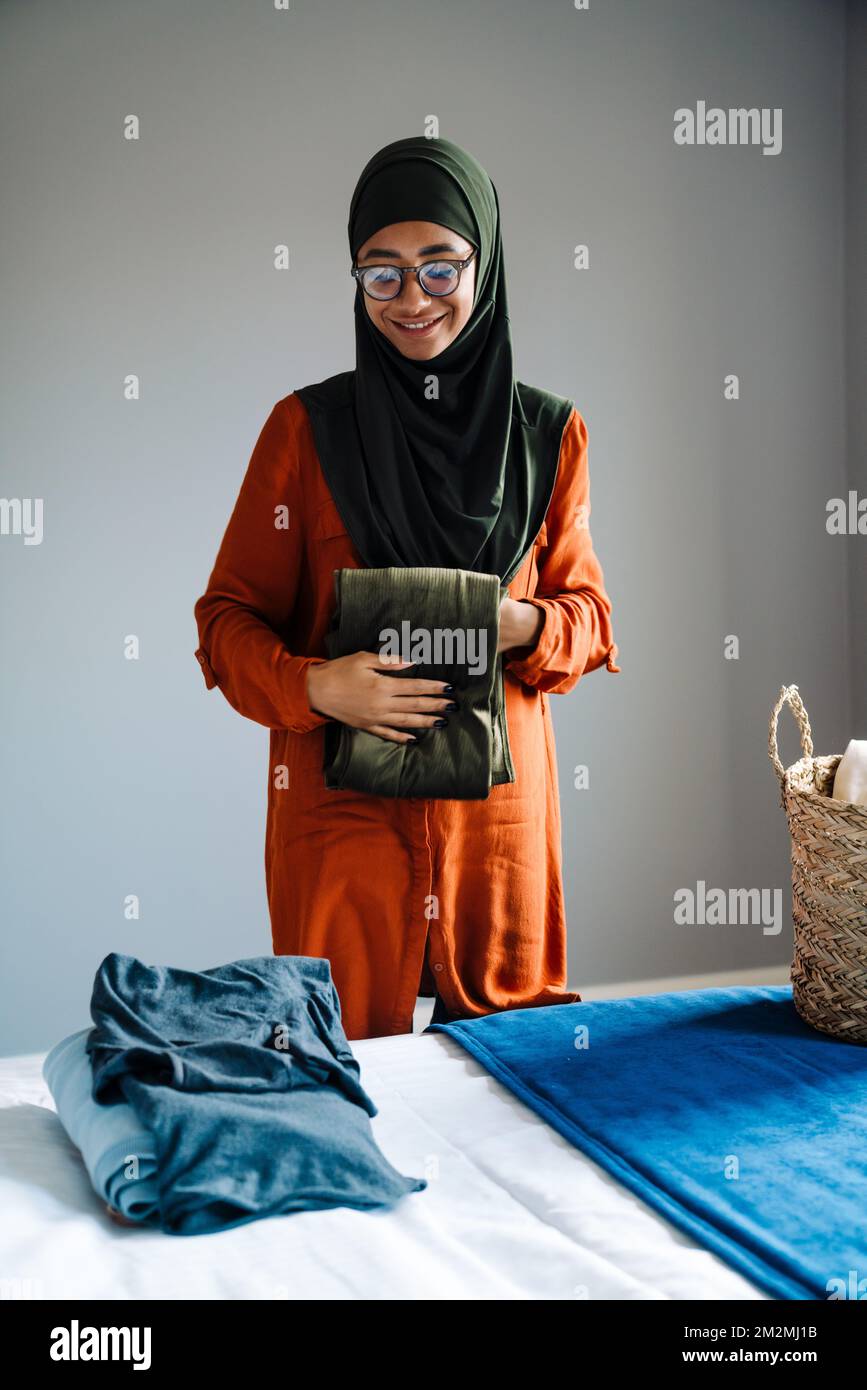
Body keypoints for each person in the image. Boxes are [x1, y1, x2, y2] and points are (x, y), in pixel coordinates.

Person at [193, 135, 620, 1041]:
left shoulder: (548, 435)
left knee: (512, 1097)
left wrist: (510, 624)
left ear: (485, 262)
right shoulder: (305, 430)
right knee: (344, 1074)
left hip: (496, 828)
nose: (411, 299)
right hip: (340, 816)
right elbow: (226, 619)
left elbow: (588, 622)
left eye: (439, 266)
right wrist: (317, 685)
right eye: (379, 274)